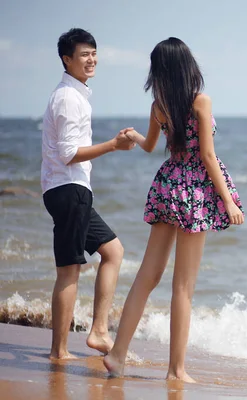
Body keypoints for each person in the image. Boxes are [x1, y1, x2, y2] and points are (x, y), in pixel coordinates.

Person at [103, 37, 244, 382]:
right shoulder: (201, 101)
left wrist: (134, 136)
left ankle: (118, 356)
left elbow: (151, 146)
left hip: (167, 185)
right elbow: (208, 156)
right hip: (195, 190)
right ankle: (176, 370)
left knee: (147, 276)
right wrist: (227, 200)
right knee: (183, 287)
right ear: (187, 65)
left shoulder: (159, 105)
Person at [41, 28, 135, 359]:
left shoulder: (75, 95)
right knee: (69, 270)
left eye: (94, 52)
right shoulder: (68, 98)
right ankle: (59, 351)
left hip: (71, 190)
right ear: (67, 60)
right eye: (84, 54)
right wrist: (113, 145)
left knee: (113, 251)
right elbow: (68, 152)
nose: (91, 59)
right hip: (68, 188)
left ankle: (98, 331)